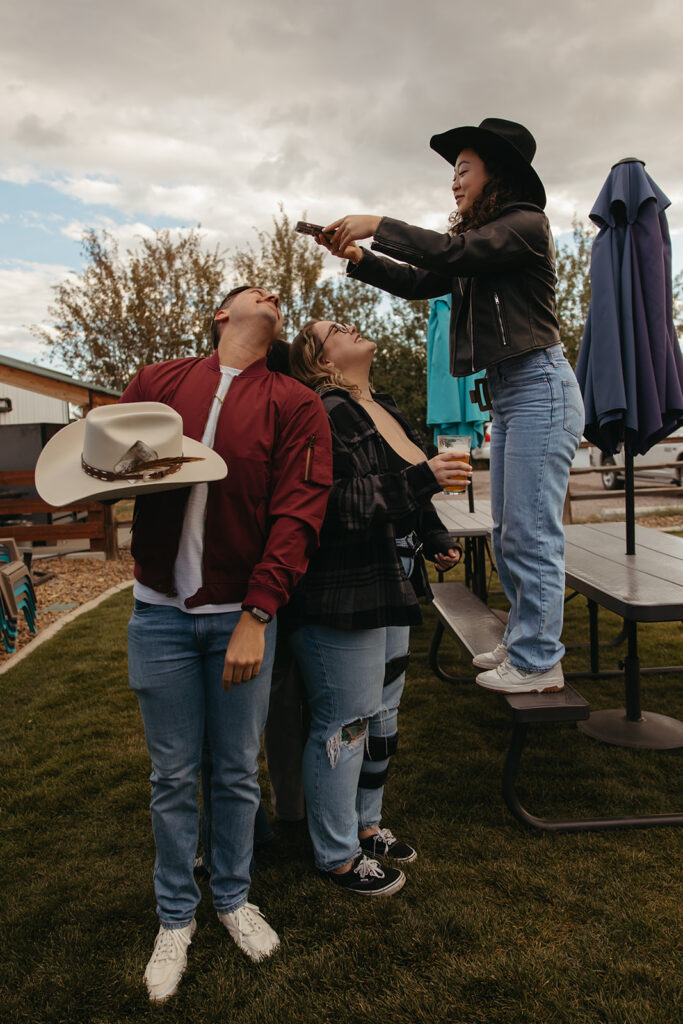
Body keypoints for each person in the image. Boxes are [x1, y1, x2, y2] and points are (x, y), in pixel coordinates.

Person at [317, 117, 585, 696]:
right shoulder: (479, 251)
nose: (454, 182)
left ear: (497, 173)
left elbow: (452, 251)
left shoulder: (523, 226)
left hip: (539, 387)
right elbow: (423, 279)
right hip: (513, 395)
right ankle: (524, 641)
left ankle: (539, 660)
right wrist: (361, 257)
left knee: (532, 532)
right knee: (510, 528)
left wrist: (377, 223)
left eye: (463, 169)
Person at [120, 286, 332, 1001]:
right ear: (221, 315)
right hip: (158, 614)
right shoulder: (157, 384)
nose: (272, 294)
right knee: (174, 776)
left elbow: (296, 516)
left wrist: (258, 612)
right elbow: (111, 467)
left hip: (239, 615)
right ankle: (175, 917)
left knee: (238, 770)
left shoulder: (295, 402)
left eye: (279, 293)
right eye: (255, 290)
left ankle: (233, 899)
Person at [285, 319, 468, 896]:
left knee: (383, 714)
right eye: (336, 328)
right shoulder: (325, 408)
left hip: (396, 579)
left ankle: (368, 824)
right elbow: (331, 502)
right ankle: (336, 854)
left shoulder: (380, 404)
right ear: (320, 360)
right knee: (349, 718)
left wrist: (434, 533)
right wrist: (422, 481)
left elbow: (407, 481)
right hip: (347, 584)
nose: (353, 325)